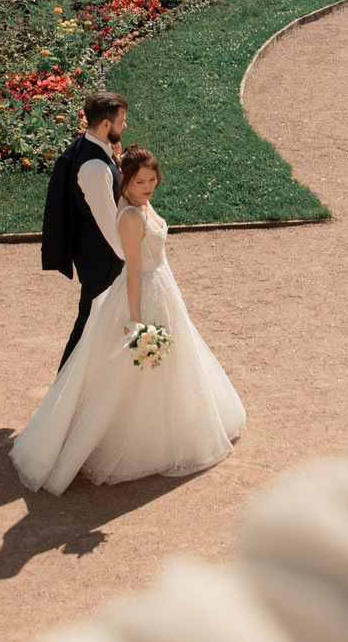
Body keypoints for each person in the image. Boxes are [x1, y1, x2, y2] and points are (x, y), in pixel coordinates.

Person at [12, 146, 243, 492]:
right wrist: (137, 323)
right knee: (136, 374)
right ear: (126, 182)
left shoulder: (140, 203)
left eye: (152, 180)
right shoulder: (132, 216)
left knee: (169, 368)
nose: (148, 187)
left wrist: (122, 152)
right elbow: (133, 273)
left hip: (163, 289)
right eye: (140, 182)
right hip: (144, 295)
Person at [41, 89, 126, 367]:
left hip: (100, 259)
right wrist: (132, 260)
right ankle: (62, 395)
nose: (124, 125)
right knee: (86, 329)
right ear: (105, 124)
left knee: (102, 330)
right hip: (103, 264)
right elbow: (109, 224)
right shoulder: (94, 168)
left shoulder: (93, 148)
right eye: (121, 120)